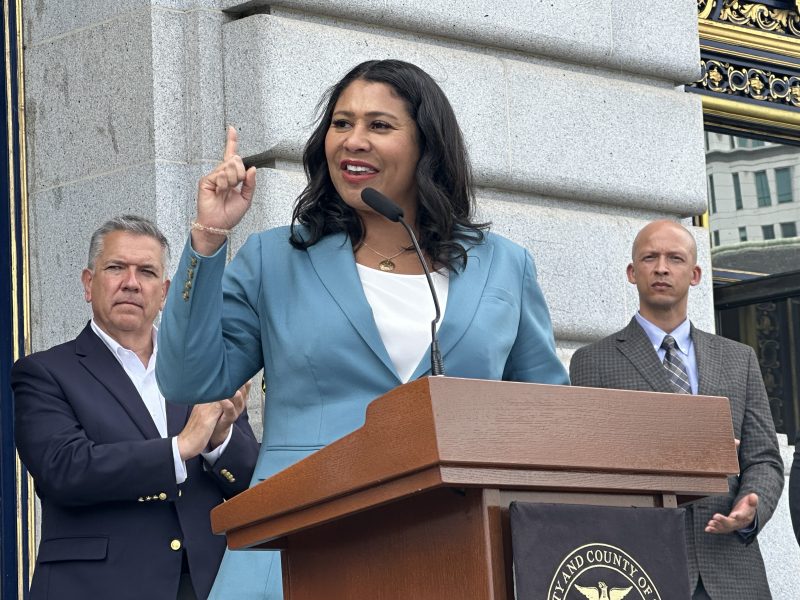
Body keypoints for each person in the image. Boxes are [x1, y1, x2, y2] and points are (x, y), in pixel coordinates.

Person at [156, 59, 568, 599]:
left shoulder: (503, 265)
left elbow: (548, 414)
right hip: (298, 548)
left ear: (428, 146)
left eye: (379, 125)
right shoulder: (274, 259)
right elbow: (189, 380)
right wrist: (208, 239)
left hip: (457, 553)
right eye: (341, 123)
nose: (353, 141)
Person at [12, 215, 260, 600]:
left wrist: (220, 439)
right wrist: (181, 447)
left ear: (163, 293)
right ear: (88, 284)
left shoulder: (202, 371)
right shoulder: (43, 372)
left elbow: (252, 484)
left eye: (146, 271)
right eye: (115, 268)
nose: (131, 282)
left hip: (206, 586)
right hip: (94, 588)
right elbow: (65, 470)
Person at [569, 220, 783, 600]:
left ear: (696, 274)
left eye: (675, 258)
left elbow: (764, 458)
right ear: (632, 272)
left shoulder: (739, 359)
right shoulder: (593, 362)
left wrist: (753, 505)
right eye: (650, 257)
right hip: (640, 565)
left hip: (731, 569)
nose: (662, 268)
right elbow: (589, 470)